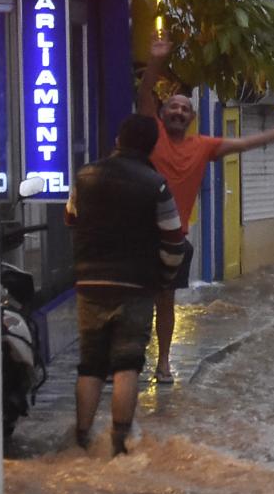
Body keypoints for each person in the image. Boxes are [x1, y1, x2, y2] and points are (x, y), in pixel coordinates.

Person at [136, 38, 274, 386]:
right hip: (138, 235)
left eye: (185, 109)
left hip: (173, 239)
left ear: (192, 117)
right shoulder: (152, 134)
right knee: (135, 300)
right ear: (163, 112)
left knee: (165, 301)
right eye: (173, 107)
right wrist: (155, 61)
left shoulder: (203, 146)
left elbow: (244, 144)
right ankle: (129, 358)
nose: (179, 112)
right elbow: (143, 96)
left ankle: (163, 362)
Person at [65, 113, 187, 456]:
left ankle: (82, 439)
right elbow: (174, 241)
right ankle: (119, 443)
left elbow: (71, 219)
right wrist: (163, 278)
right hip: (136, 286)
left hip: (90, 284)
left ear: (118, 140)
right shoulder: (156, 184)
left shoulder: (85, 176)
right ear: (151, 146)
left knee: (90, 364)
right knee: (127, 363)